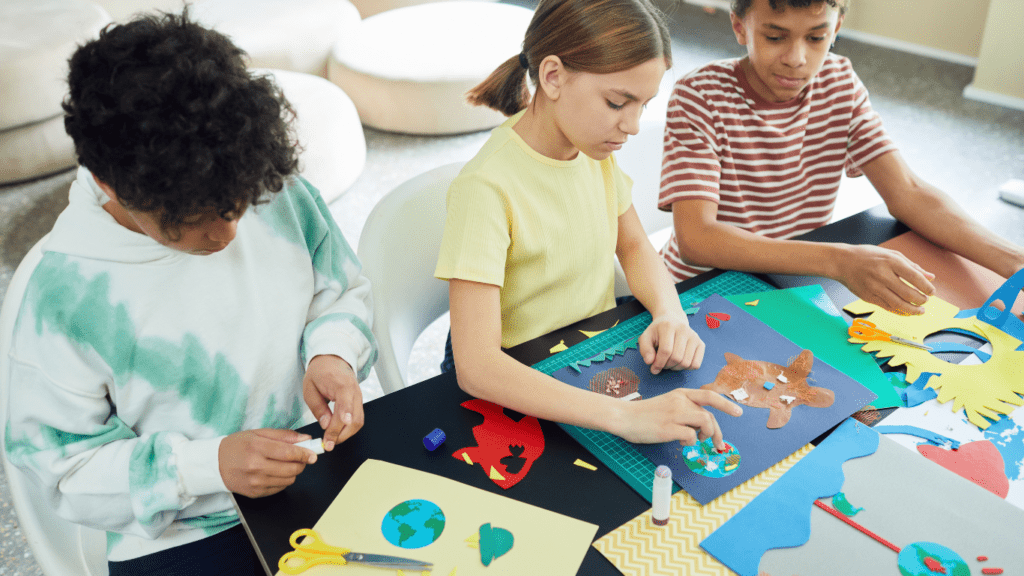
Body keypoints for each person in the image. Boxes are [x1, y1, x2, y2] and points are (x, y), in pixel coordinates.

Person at [3, 10, 376, 576]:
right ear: (110, 184)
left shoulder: (265, 185)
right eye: (195, 219)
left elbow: (339, 288)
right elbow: (65, 472)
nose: (226, 234)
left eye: (238, 206)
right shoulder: (60, 299)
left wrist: (333, 353)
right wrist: (209, 466)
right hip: (181, 534)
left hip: (315, 467)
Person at [435, 0, 743, 451]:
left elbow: (635, 246)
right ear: (553, 76)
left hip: (588, 346)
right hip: (516, 375)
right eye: (618, 102)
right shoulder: (485, 188)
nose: (634, 125)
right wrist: (623, 416)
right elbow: (477, 367)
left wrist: (669, 313)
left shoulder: (591, 148)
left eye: (643, 104)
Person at [658, 0, 1024, 314]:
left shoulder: (839, 82)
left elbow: (908, 191)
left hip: (794, 282)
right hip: (701, 288)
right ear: (740, 26)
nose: (797, 59)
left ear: (837, 28)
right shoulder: (700, 95)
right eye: (774, 37)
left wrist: (1014, 262)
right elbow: (697, 239)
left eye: (816, 38)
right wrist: (840, 259)